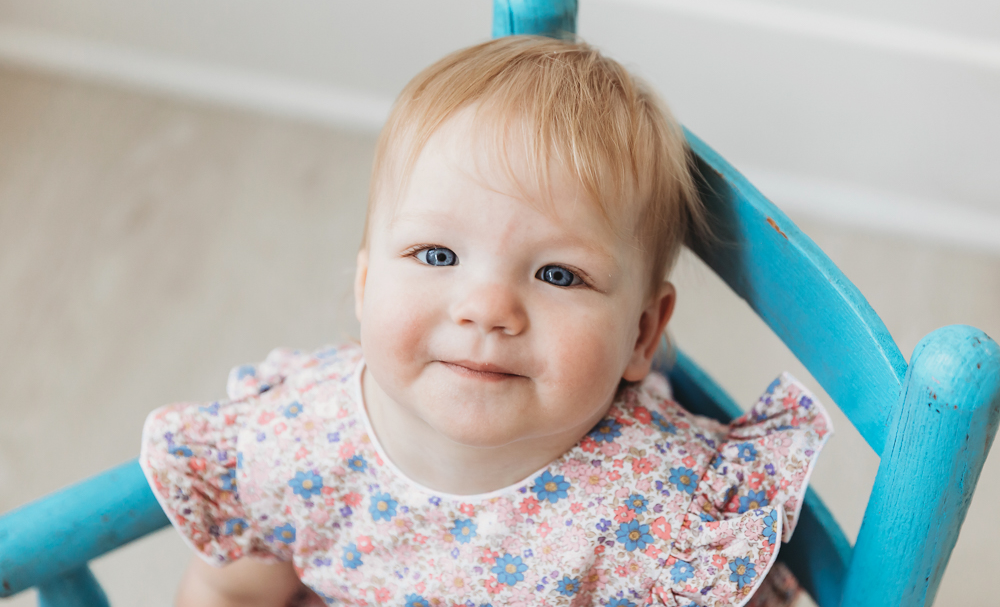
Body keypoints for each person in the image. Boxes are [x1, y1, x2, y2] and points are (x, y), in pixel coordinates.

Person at [141, 35, 831, 607]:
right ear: (365, 282)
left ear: (643, 334)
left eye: (559, 274)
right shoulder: (299, 444)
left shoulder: (657, 513)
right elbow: (231, 593)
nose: (487, 307)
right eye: (437, 253)